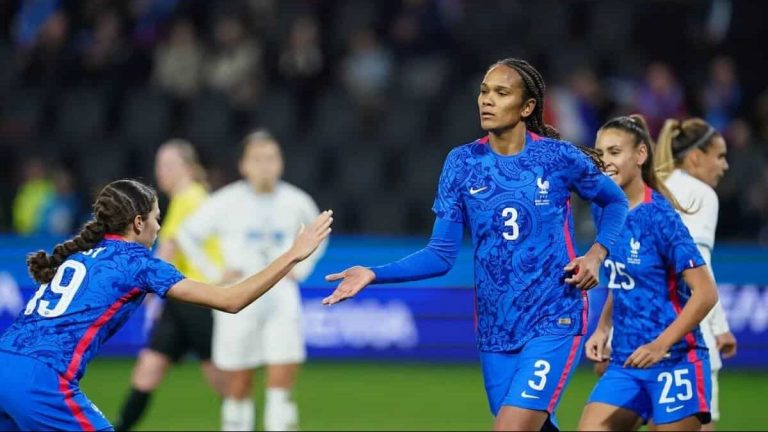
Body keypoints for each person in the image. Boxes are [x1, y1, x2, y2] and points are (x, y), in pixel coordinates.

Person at [322, 58, 629, 431]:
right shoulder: (462, 163)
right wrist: (372, 273)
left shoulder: (557, 158)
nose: (487, 100)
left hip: (554, 317)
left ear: (527, 107)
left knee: (511, 428)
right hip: (495, 328)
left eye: (501, 93)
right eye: (484, 91)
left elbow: (615, 203)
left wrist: (596, 255)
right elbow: (440, 255)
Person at [0, 179, 333, 431]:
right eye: (157, 218)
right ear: (138, 223)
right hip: (40, 380)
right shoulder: (138, 263)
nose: (160, 228)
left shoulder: (81, 252)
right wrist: (292, 255)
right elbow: (232, 300)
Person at [177, 130, 326, 431]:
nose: (265, 166)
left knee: (281, 387)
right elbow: (186, 235)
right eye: (257, 159)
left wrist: (303, 268)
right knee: (238, 385)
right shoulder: (225, 201)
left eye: (271, 158)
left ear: (280, 163)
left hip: (282, 298)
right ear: (244, 165)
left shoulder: (297, 200)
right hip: (238, 299)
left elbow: (320, 234)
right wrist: (213, 273)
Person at [578, 115, 719, 431]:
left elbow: (706, 293)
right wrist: (602, 329)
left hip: (675, 362)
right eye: (601, 154)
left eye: (614, 152)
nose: (605, 162)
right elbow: (624, 280)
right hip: (625, 362)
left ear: (640, 156)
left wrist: (661, 344)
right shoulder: (603, 209)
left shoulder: (661, 218)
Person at [114, 140, 225, 431]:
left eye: (168, 164)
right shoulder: (188, 198)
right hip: (180, 300)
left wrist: (140, 289)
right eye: (159, 164)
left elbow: (169, 249)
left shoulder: (191, 197)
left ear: (187, 168)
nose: (160, 171)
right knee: (147, 372)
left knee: (222, 379)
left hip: (201, 299)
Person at [655, 118, 736, 431]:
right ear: (695, 157)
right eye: (720, 155)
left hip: (644, 325)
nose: (725, 165)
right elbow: (698, 266)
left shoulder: (655, 186)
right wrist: (720, 327)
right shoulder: (700, 194)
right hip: (689, 331)